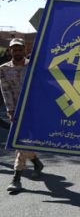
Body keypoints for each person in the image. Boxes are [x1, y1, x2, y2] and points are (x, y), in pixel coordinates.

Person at [1, 38, 44, 192]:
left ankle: (19, 176)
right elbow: (6, 91)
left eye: (20, 49)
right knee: (21, 141)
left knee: (22, 141)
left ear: (25, 50)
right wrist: (10, 110)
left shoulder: (33, 66)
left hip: (34, 110)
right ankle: (30, 167)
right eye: (14, 49)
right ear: (10, 51)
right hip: (17, 110)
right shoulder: (4, 69)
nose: (17, 52)